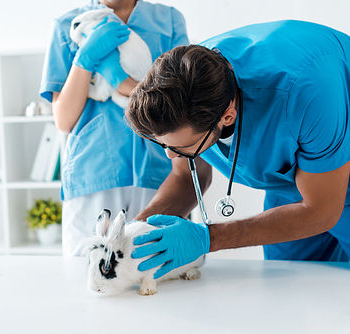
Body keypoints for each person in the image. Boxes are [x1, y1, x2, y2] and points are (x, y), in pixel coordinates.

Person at [125, 20, 350, 278]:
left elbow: (320, 211)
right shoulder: (188, 81)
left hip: (334, 160)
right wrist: (135, 231)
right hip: (291, 185)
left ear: (226, 117)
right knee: (288, 286)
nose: (170, 155)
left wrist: (209, 238)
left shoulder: (305, 92)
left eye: (182, 147)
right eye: (163, 144)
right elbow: (185, 175)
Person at [39, 0, 190, 256]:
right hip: (94, 173)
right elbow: (64, 120)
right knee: (90, 276)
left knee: (155, 273)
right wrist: (83, 60)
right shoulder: (69, 25)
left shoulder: (168, 21)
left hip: (160, 171)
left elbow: (182, 103)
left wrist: (122, 80)